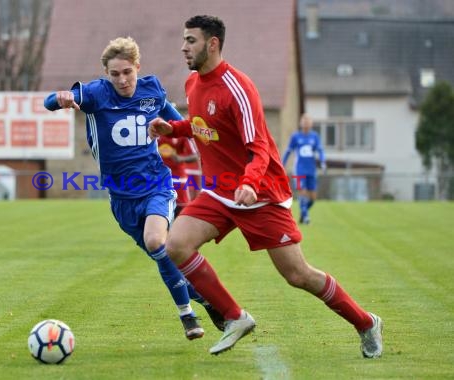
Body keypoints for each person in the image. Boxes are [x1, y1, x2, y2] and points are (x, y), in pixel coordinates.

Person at [148, 15, 383, 357]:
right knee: (176, 245)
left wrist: (249, 184)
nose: (184, 47)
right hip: (219, 191)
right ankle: (235, 317)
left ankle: (365, 323)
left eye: (191, 40)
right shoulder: (192, 84)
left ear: (212, 44)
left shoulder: (238, 88)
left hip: (260, 195)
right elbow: (204, 125)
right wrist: (175, 129)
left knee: (298, 275)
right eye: (184, 40)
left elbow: (258, 146)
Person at [44, 36, 224, 340]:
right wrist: (59, 98)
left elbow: (177, 120)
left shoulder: (151, 90)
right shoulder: (95, 94)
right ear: (106, 74)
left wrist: (201, 142)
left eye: (127, 72)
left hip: (156, 185)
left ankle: (187, 317)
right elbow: (50, 101)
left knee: (157, 242)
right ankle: (208, 300)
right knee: (166, 260)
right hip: (122, 199)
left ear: (137, 67)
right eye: (115, 74)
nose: (122, 80)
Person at [282, 113, 326, 224]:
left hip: (311, 170)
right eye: (304, 121)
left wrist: (323, 162)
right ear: (301, 123)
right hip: (299, 169)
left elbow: (320, 150)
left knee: (312, 198)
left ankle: (303, 211)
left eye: (308, 121)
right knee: (302, 192)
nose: (306, 123)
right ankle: (306, 217)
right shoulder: (295, 136)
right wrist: (282, 164)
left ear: (311, 124)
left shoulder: (315, 136)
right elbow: (288, 151)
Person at [157, 135, 200, 215]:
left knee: (182, 206)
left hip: (179, 176)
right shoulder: (158, 135)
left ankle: (181, 226)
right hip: (160, 177)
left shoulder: (182, 136)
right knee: (159, 205)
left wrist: (180, 158)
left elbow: (196, 155)